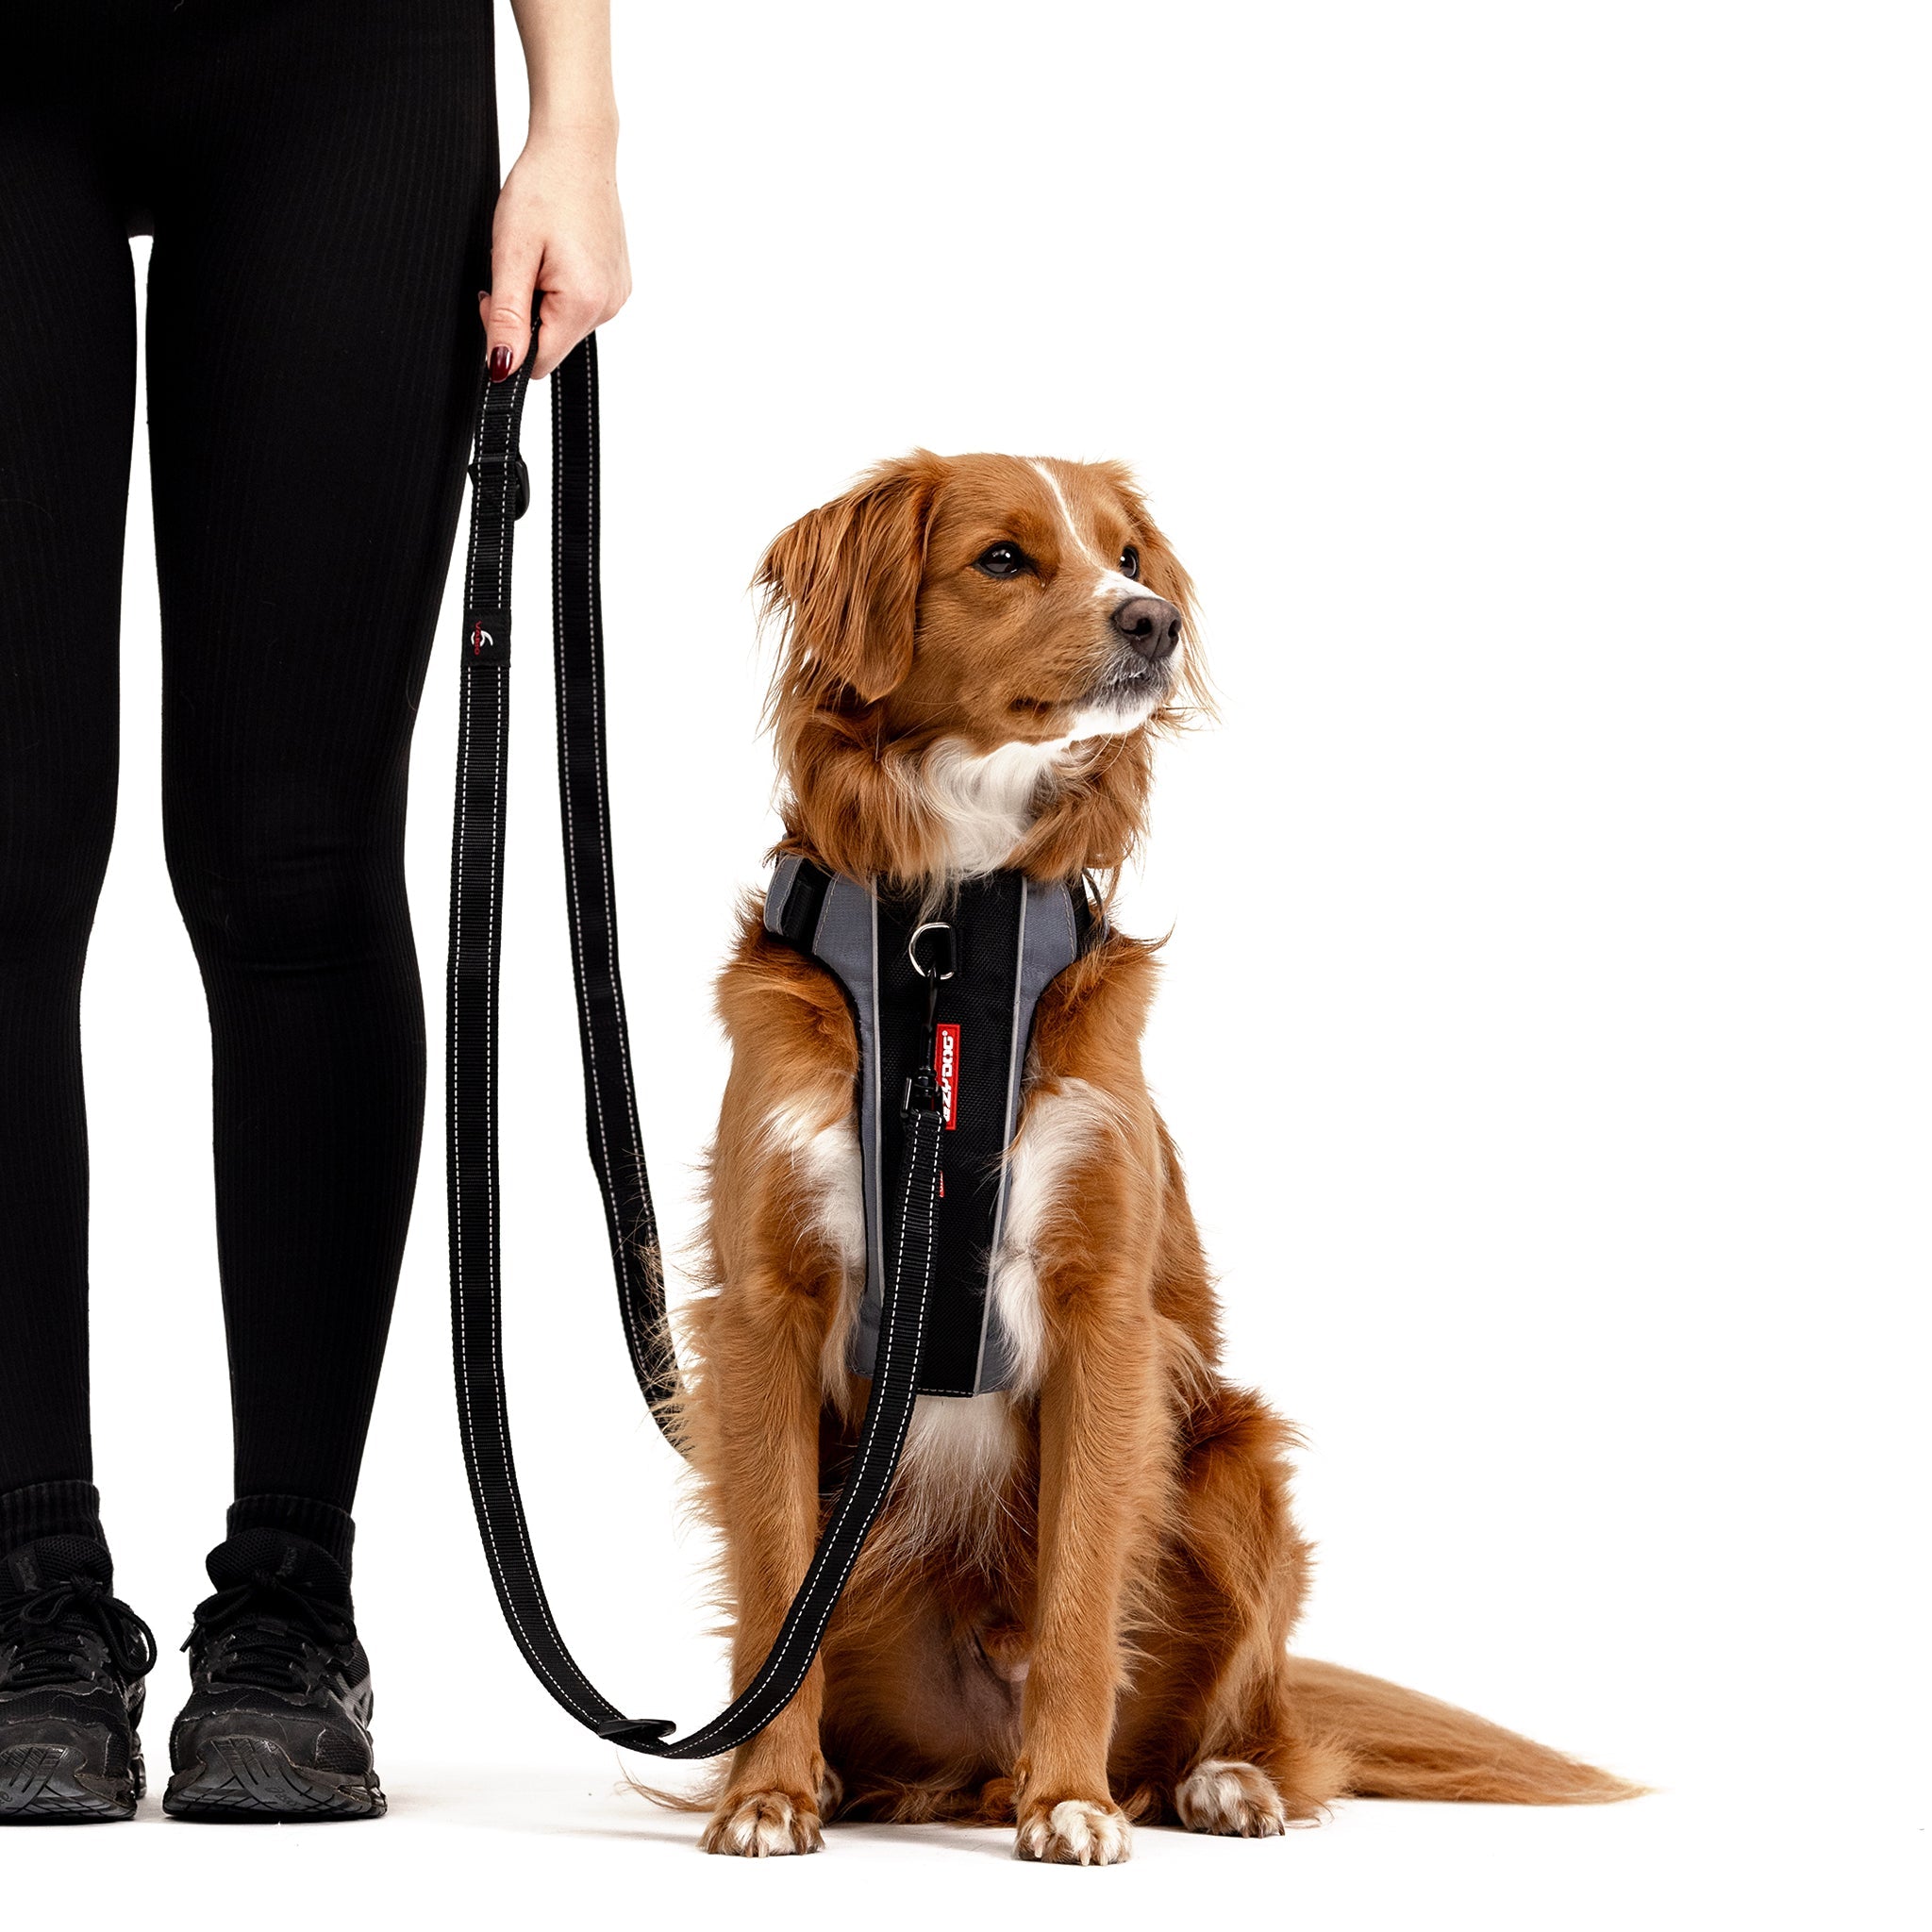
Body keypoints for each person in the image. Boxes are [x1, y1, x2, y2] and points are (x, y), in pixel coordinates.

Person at [0, 0, 630, 1821]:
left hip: (340, 59)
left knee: (294, 857)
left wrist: (574, 121)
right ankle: (28, 1600)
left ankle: (288, 1604)